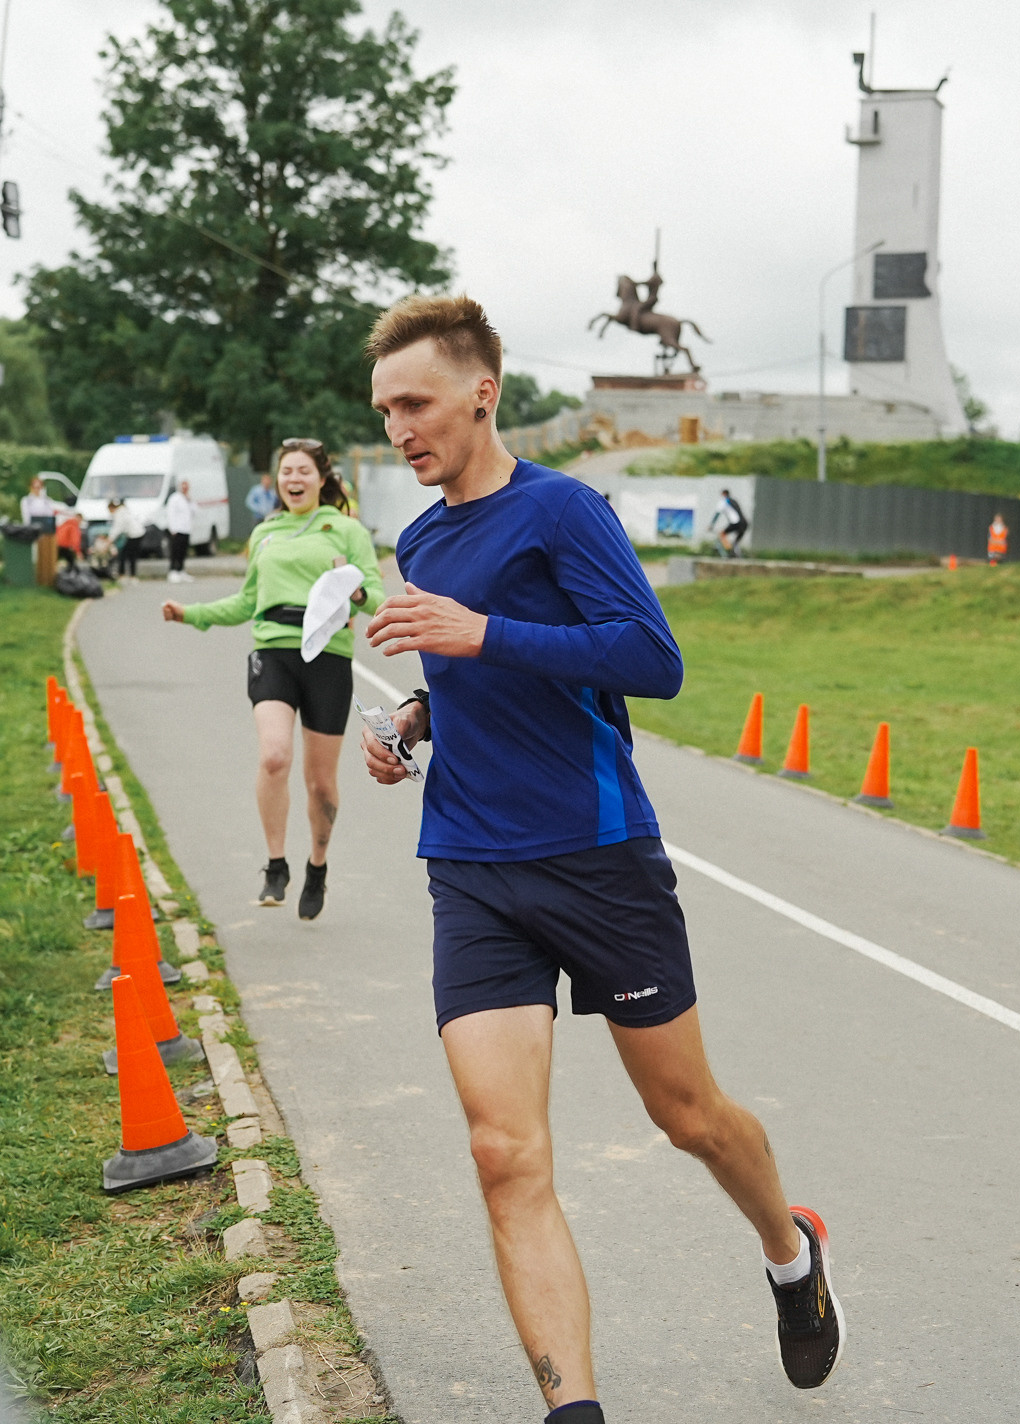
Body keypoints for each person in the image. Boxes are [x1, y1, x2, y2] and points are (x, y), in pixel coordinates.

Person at [359, 295, 839, 1422]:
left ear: (483, 391)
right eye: (384, 410)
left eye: (416, 402)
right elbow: (468, 677)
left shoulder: (564, 512)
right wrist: (416, 723)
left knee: (689, 1117)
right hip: (472, 863)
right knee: (502, 1150)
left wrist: (483, 634)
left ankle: (789, 1248)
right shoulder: (423, 537)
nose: (398, 429)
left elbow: (648, 659)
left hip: (597, 857)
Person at [164, 439, 380, 917]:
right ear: (277, 480)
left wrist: (357, 587)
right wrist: (191, 613)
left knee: (320, 782)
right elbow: (246, 601)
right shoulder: (264, 533)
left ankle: (317, 866)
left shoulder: (345, 529)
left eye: (304, 471)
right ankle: (276, 864)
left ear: (322, 479)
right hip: (273, 652)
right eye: (287, 472)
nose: (294, 479)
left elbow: (377, 597)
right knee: (274, 756)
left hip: (328, 655)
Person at [163, 479, 196, 582]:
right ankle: (173, 571)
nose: (185, 488)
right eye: (183, 486)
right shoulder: (175, 498)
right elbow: (170, 514)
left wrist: (189, 500)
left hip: (186, 529)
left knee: (183, 551)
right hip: (177, 529)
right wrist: (172, 528)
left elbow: (195, 511)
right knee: (175, 551)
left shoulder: (188, 499)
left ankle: (181, 570)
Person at [109, 496, 145, 578]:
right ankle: (130, 574)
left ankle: (126, 574)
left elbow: (118, 528)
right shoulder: (124, 510)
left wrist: (110, 539)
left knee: (127, 555)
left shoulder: (119, 513)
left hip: (135, 535)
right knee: (129, 555)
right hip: (136, 534)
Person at [711, 487, 748, 558]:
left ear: (723, 494)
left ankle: (728, 551)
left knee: (722, 534)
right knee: (736, 542)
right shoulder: (734, 501)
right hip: (744, 523)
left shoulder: (724, 501)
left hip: (736, 523)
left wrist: (711, 525)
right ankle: (736, 554)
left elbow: (717, 514)